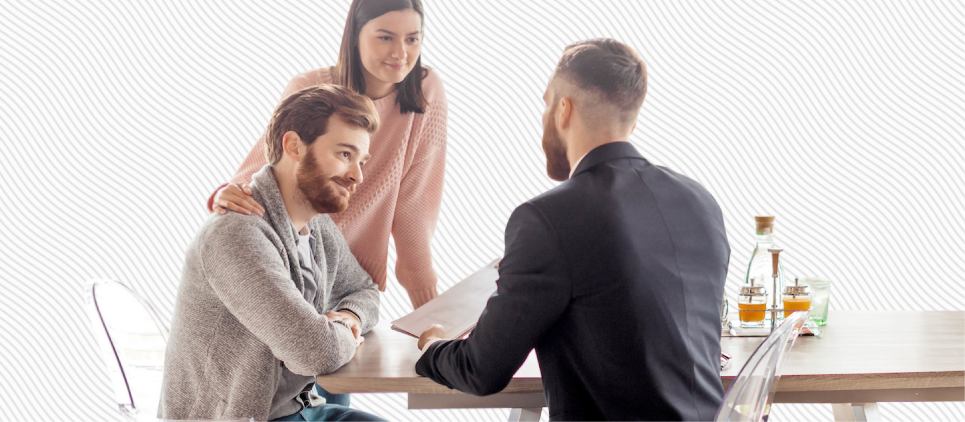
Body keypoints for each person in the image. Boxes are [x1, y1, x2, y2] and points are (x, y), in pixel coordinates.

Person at [415, 39, 730, 421]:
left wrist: (432, 346)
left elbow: (481, 369)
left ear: (564, 109)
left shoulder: (547, 218)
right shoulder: (700, 202)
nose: (545, 114)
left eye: (547, 103)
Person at [160, 84, 383, 421]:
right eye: (344, 155)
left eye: (360, 160)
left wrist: (349, 316)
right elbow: (314, 351)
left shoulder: (316, 227)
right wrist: (346, 335)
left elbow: (363, 290)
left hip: (297, 410)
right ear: (293, 145)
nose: (357, 175)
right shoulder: (236, 236)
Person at [210, 0, 446, 310]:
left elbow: (414, 210)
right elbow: (265, 167)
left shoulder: (425, 91)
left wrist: (435, 321)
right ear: (355, 35)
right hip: (289, 268)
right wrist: (225, 195)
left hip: (350, 287)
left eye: (412, 38)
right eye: (385, 37)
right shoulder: (311, 88)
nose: (401, 53)